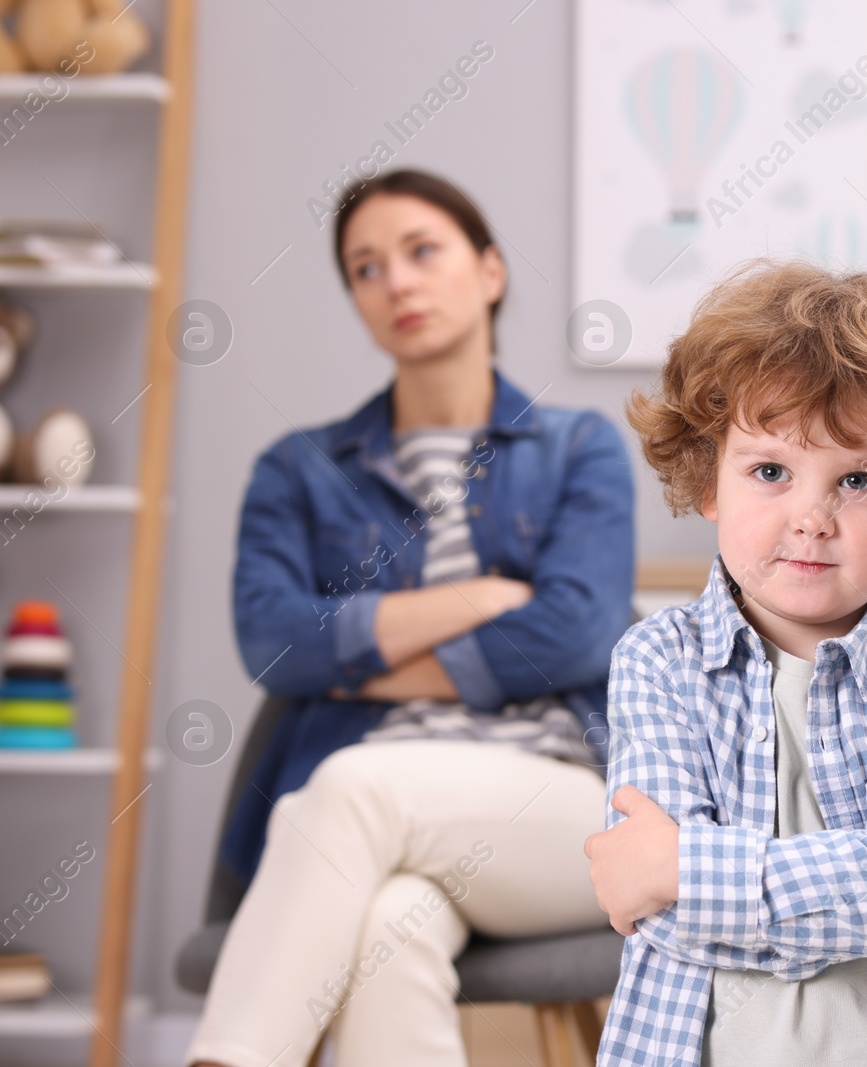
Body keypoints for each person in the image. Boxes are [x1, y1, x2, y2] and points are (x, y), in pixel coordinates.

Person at [186, 169, 635, 1067]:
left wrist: (357, 654)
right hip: (372, 821)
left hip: (563, 800)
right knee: (396, 924)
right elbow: (274, 642)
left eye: (422, 251)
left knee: (356, 784)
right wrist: (470, 602)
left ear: (491, 271)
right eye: (365, 267)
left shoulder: (578, 446)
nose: (396, 282)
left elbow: (577, 634)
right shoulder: (299, 468)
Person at [583, 261, 867, 1066]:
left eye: (857, 478)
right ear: (709, 477)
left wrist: (686, 865)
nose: (812, 519)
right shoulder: (655, 658)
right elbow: (655, 910)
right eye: (770, 471)